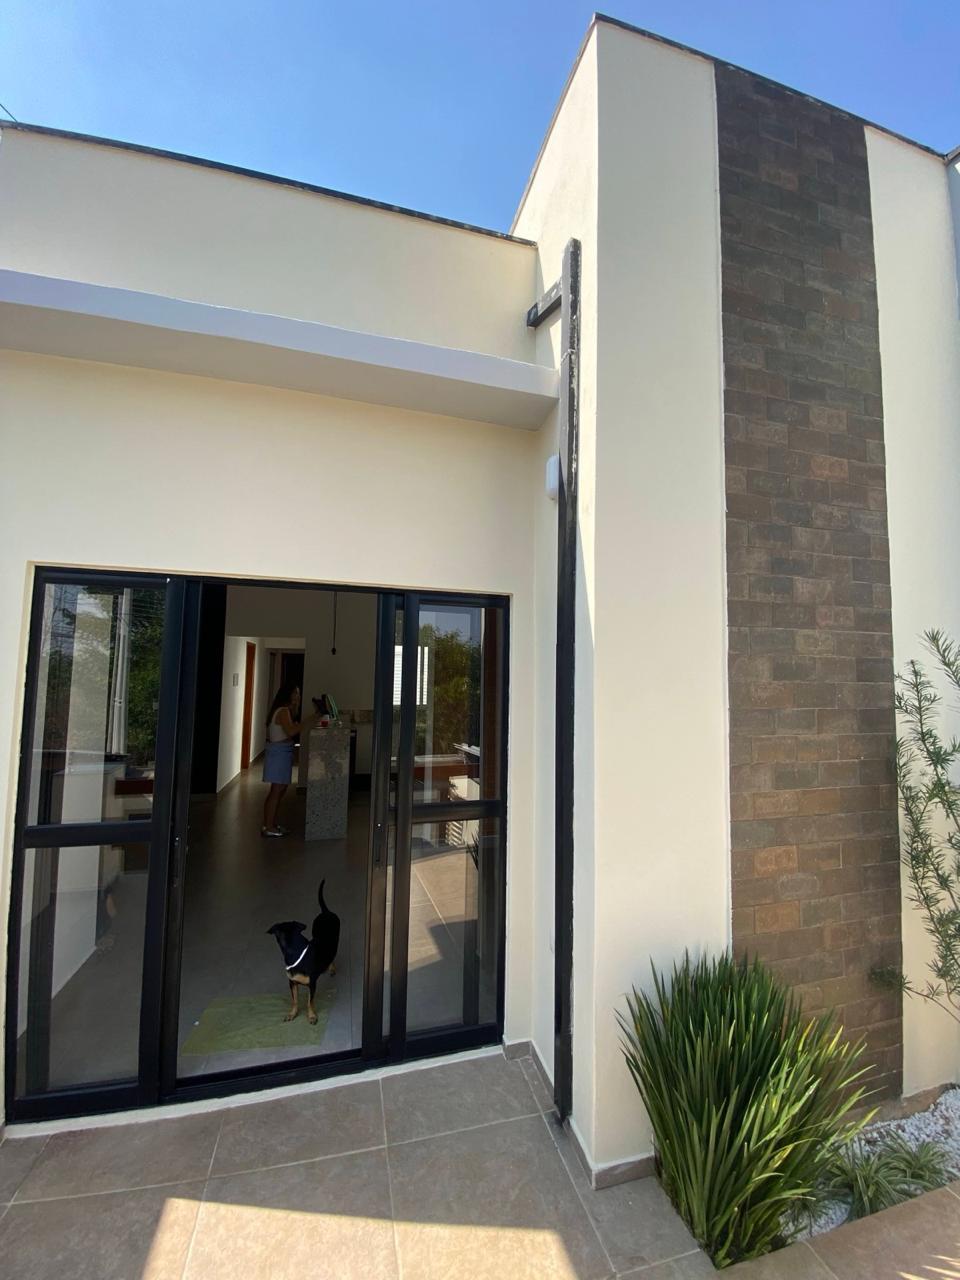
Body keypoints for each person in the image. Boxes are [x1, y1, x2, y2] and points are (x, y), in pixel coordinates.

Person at [261, 683, 315, 837]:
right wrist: (307, 721)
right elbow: (291, 731)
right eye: (295, 693)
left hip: (280, 753)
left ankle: (270, 824)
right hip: (279, 754)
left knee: (279, 789)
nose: (298, 696)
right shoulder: (283, 711)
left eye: (298, 693)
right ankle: (268, 826)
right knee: (276, 790)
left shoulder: (283, 711)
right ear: (287, 694)